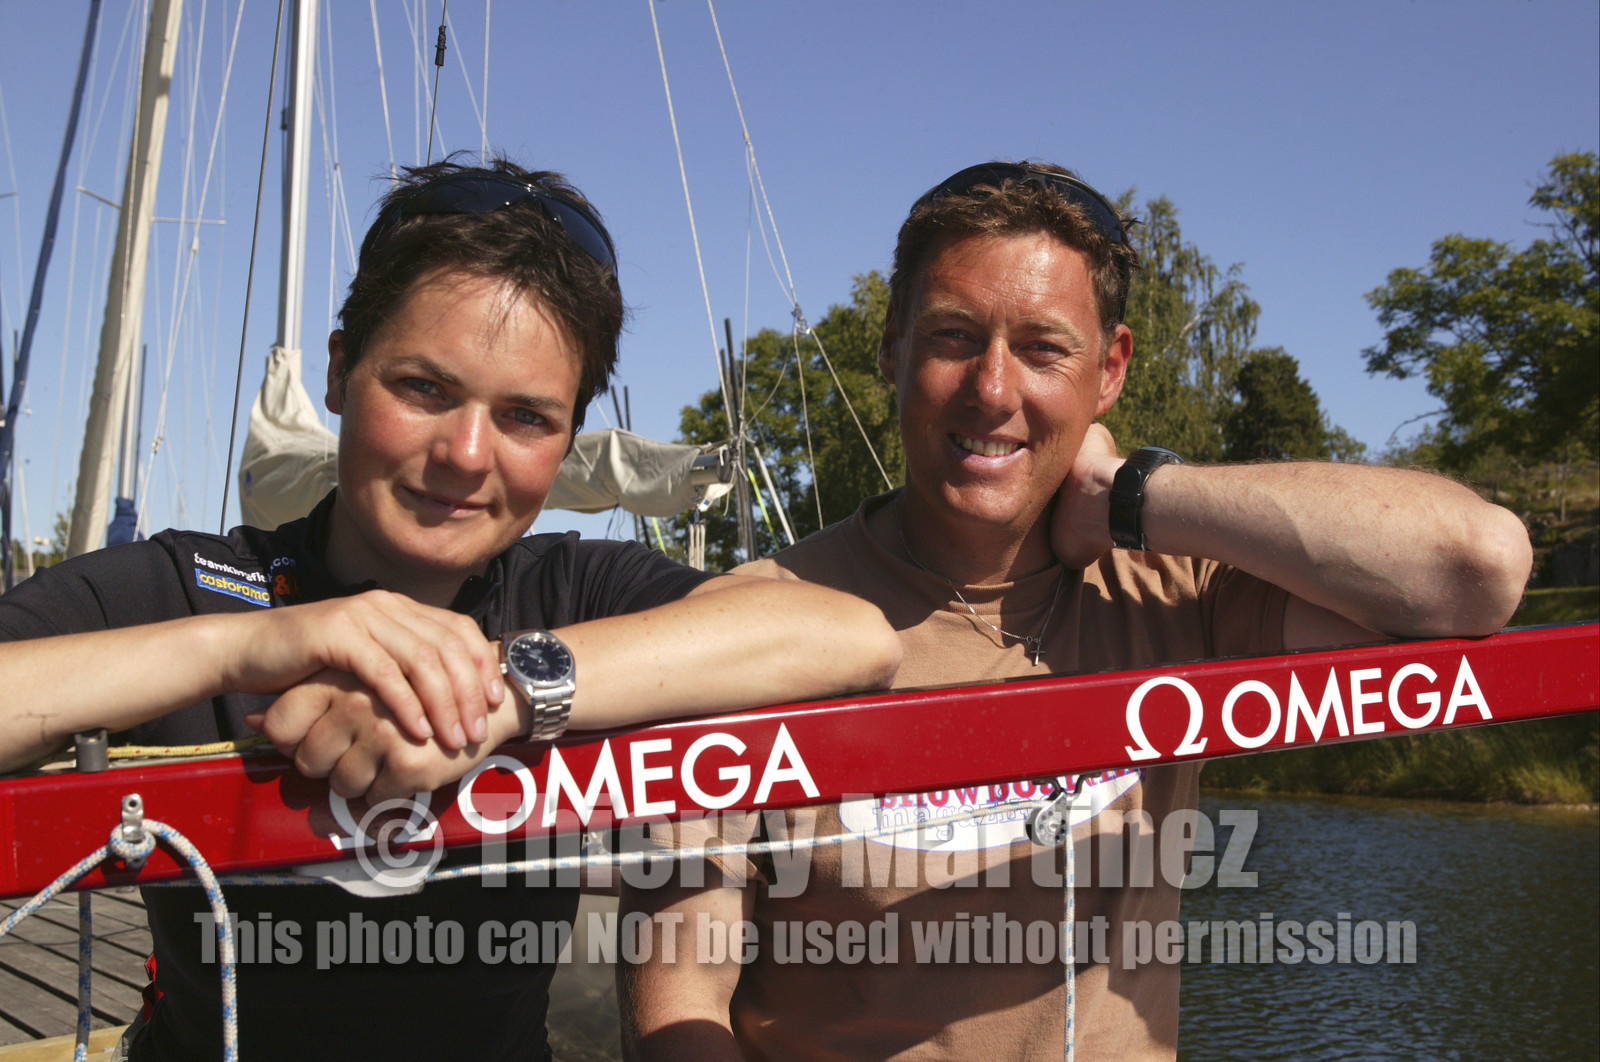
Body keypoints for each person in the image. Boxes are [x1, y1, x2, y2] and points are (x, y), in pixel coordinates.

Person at [617, 161, 1533, 1062]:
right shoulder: (755, 625)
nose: (992, 388)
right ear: (893, 347)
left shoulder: (1173, 595)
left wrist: (1131, 494)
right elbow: (678, 998)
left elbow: (1477, 567)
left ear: (1109, 370)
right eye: (953, 336)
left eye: (1043, 349)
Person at [0, 158, 902, 1061]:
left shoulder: (576, 593)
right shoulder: (190, 588)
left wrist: (500, 690)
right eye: (423, 389)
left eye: (526, 417)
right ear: (340, 373)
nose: (467, 454)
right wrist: (247, 646)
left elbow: (847, 635)